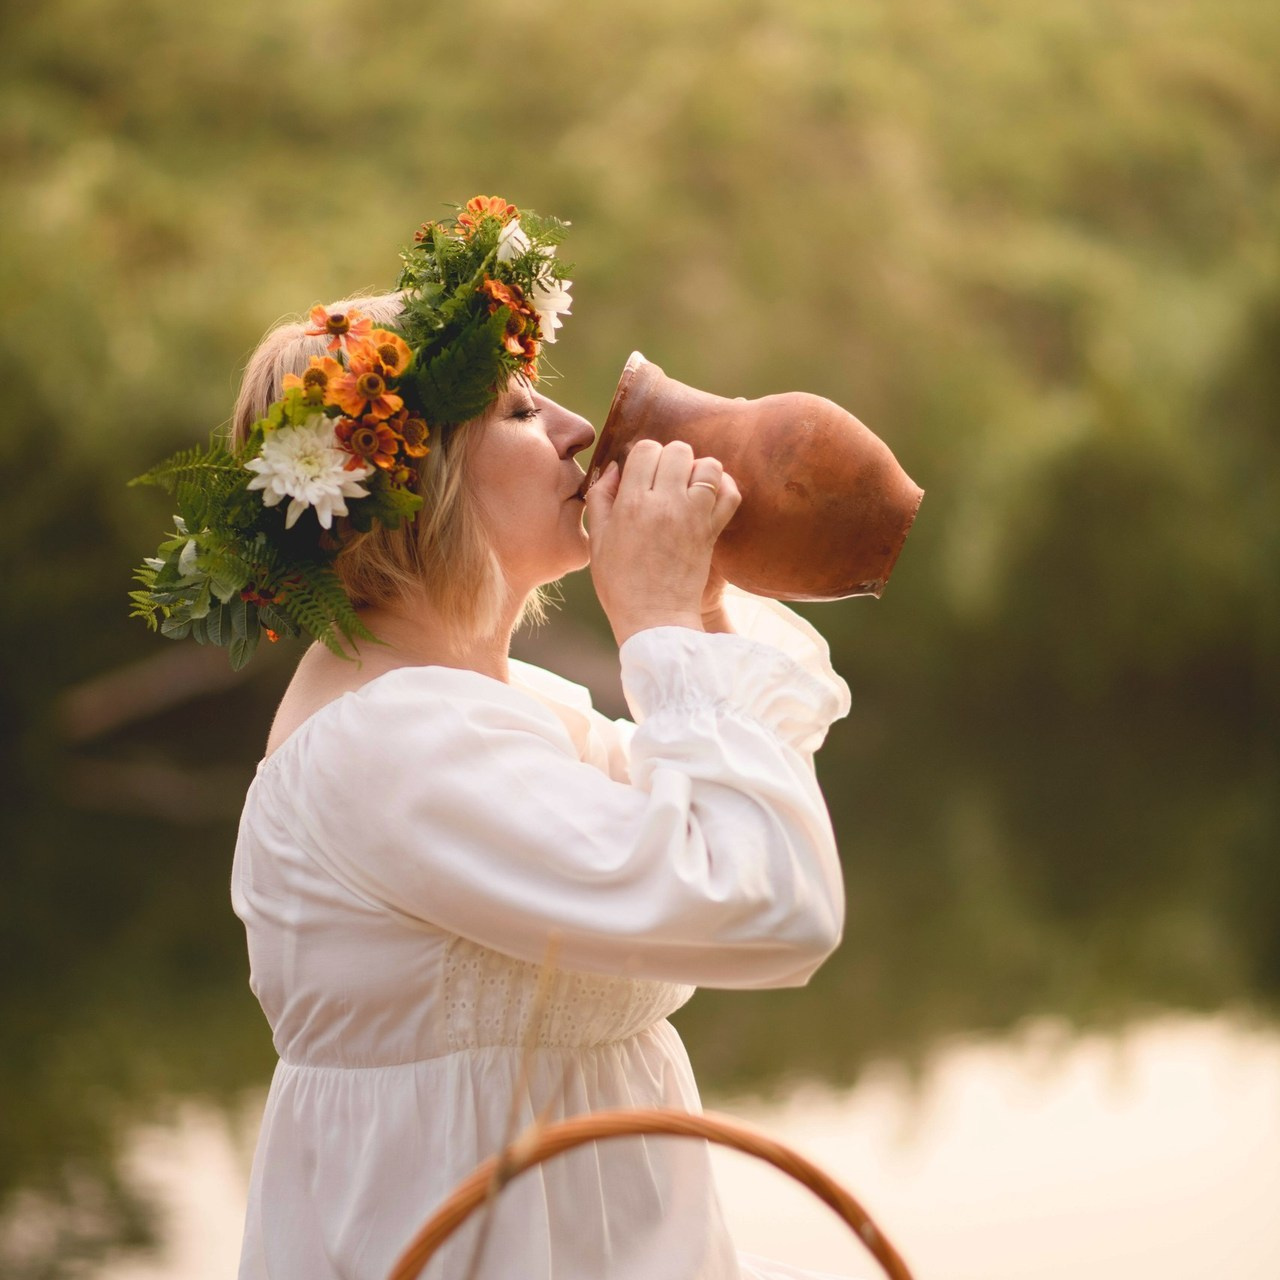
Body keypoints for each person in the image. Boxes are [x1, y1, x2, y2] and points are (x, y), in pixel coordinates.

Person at [196, 207, 853, 1279]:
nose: (572, 428)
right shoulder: (388, 743)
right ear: (419, 489)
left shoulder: (503, 707)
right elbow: (774, 908)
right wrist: (656, 627)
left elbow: (733, 832)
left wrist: (702, 604)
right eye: (513, 409)